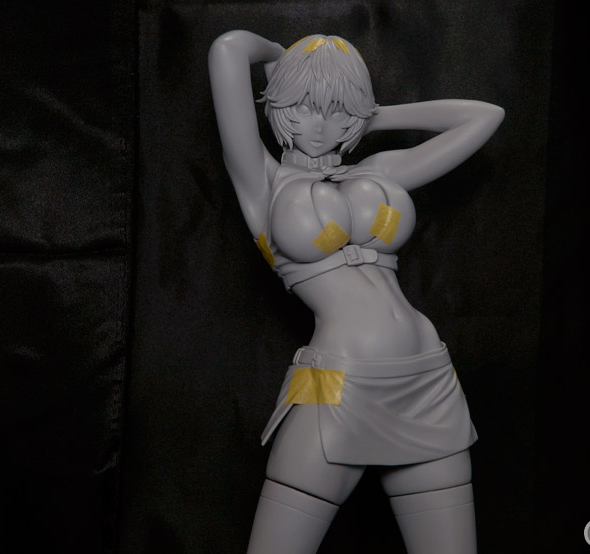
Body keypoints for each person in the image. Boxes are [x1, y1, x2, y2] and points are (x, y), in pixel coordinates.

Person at [209, 30, 504, 554]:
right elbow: (229, 49)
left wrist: (371, 115)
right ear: (278, 104)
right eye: (303, 107)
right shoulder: (263, 183)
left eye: (337, 112)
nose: (321, 126)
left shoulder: (380, 169)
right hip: (338, 386)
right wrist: (281, 59)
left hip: (428, 381)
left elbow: (484, 117)